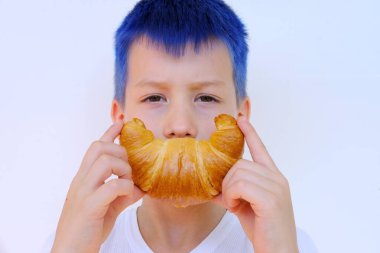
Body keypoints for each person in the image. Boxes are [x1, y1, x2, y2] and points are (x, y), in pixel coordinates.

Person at [44, 0, 317, 252]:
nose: (180, 125)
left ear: (240, 117)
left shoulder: (285, 242)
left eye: (206, 98)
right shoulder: (78, 240)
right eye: (154, 97)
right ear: (120, 118)